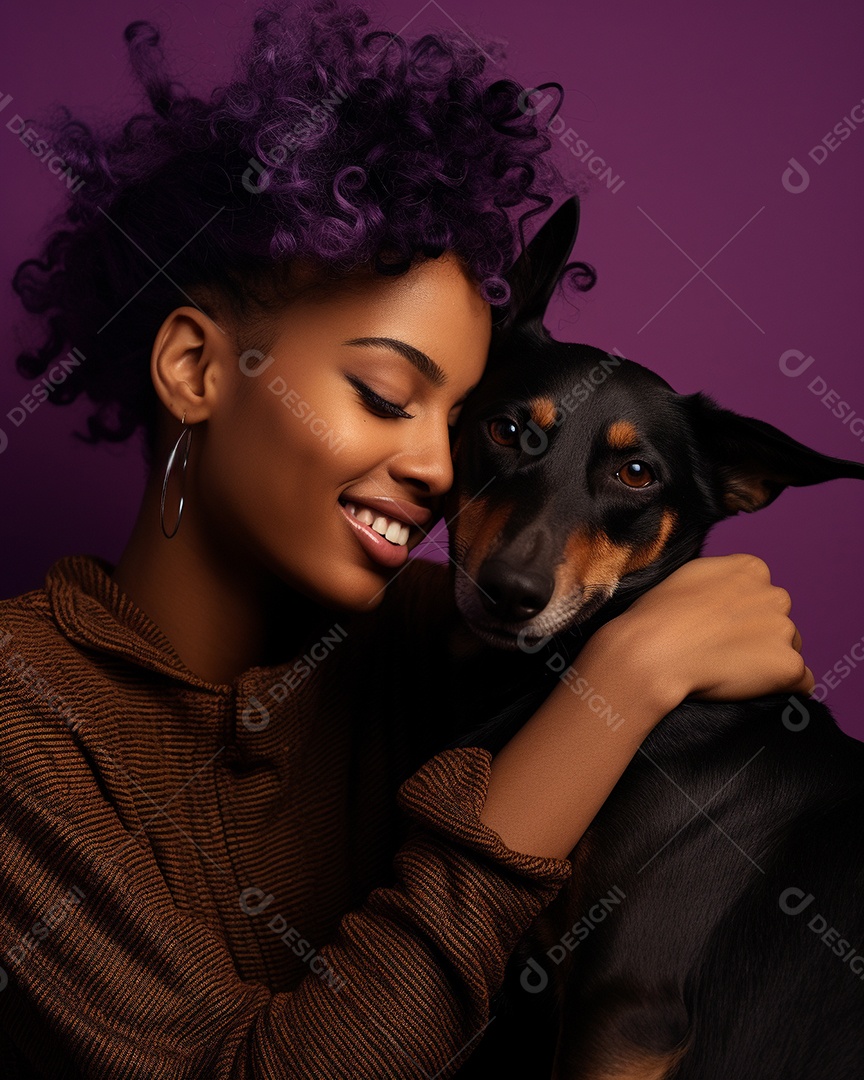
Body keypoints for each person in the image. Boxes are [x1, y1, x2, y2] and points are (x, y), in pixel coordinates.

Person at [0, 2, 813, 1076]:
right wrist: (626, 678)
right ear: (197, 371)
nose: (440, 468)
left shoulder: (450, 636)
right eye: (388, 395)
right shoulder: (25, 714)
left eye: (463, 421)